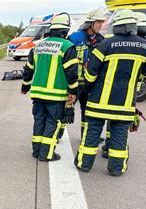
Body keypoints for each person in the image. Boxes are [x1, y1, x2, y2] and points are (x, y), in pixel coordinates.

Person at [75, 9, 146, 176]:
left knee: (92, 134)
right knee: (119, 136)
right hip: (124, 104)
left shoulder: (105, 44)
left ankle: (84, 165)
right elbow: (145, 72)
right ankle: (116, 168)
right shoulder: (145, 47)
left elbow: (91, 72)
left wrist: (86, 89)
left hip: (98, 102)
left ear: (116, 25)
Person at [21, 14, 79, 161]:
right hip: (56, 96)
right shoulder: (68, 47)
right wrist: (73, 92)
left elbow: (28, 69)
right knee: (52, 123)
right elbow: (71, 73)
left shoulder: (38, 46)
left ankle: (36, 151)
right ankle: (46, 154)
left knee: (39, 121)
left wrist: (25, 87)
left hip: (38, 94)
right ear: (65, 31)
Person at [101, 11, 146, 158]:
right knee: (122, 124)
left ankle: (108, 147)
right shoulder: (145, 44)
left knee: (113, 119)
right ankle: (116, 151)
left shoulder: (114, 42)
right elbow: (145, 72)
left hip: (115, 89)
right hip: (130, 92)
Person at [57, 8, 107, 140]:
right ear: (91, 23)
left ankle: (86, 136)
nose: (101, 25)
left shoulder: (102, 40)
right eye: (99, 22)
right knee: (66, 109)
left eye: (102, 22)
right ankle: (57, 134)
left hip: (90, 84)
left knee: (88, 112)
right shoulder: (74, 38)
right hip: (74, 83)